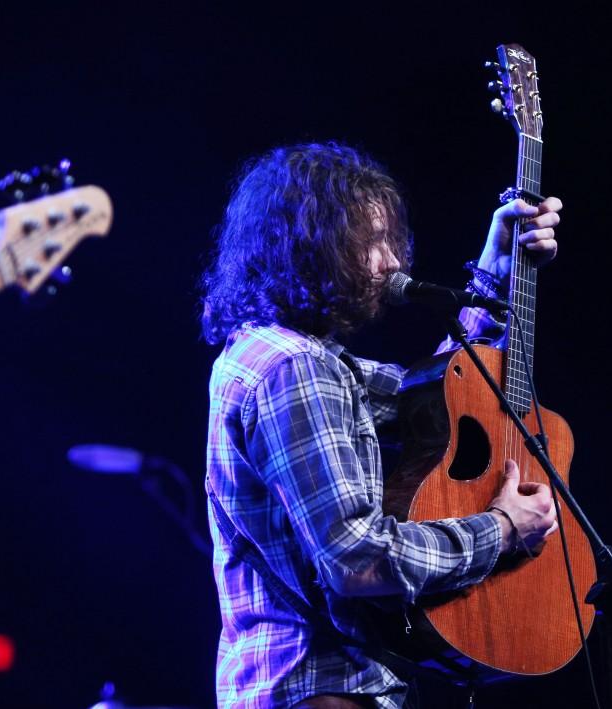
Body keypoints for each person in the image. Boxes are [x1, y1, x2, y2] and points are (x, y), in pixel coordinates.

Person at [201, 143, 563, 709]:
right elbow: (358, 559)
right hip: (322, 690)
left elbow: (443, 395)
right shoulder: (295, 368)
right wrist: (502, 527)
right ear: (311, 247)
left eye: (391, 240)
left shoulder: (273, 357)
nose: (391, 262)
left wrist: (496, 271)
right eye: (369, 242)